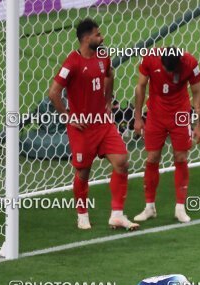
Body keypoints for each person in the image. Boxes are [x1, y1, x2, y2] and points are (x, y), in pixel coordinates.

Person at [48, 18, 139, 231]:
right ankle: (82, 214)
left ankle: (117, 215)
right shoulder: (72, 62)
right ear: (86, 38)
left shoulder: (102, 55)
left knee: (122, 162)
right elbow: (53, 93)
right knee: (83, 172)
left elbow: (109, 75)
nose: (102, 37)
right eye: (98, 34)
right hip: (82, 128)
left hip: (103, 123)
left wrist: (108, 100)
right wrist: (68, 117)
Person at [134, 48, 200, 224]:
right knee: (152, 157)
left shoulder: (190, 63)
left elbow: (196, 92)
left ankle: (180, 208)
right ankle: (149, 207)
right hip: (156, 114)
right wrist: (137, 117)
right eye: (167, 70)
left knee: (180, 157)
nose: (170, 73)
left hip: (179, 113)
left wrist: (198, 123)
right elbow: (140, 86)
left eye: (173, 71)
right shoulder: (149, 58)